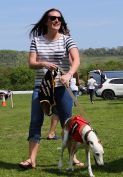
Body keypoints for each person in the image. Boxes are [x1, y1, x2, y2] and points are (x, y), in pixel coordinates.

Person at [19, 8, 83, 169]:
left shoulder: (67, 39)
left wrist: (69, 74)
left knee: (67, 124)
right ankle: (31, 160)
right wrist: (43, 63)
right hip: (41, 88)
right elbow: (31, 63)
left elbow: (76, 60)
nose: (56, 21)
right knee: (35, 122)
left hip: (62, 87)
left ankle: (73, 158)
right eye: (52, 18)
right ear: (46, 21)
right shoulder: (36, 40)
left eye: (59, 19)